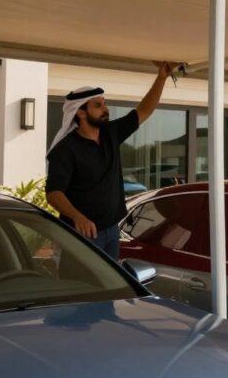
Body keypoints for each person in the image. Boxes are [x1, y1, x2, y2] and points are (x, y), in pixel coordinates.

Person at [46, 61, 176, 260]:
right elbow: (54, 193)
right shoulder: (65, 149)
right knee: (83, 287)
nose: (105, 109)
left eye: (104, 103)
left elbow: (144, 111)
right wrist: (77, 217)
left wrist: (161, 77)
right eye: (97, 105)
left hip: (111, 231)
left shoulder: (110, 133)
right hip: (83, 235)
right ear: (80, 113)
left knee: (111, 289)